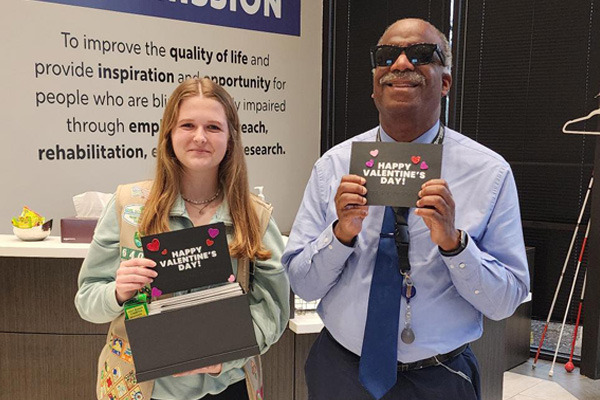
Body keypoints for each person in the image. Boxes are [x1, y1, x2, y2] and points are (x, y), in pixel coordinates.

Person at [282, 18, 530, 400]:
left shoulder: (489, 174)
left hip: (440, 377)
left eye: (419, 54)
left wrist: (455, 244)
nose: (400, 64)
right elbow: (301, 284)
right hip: (340, 372)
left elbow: (506, 301)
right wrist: (339, 235)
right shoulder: (332, 167)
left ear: (445, 82)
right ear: (375, 84)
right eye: (386, 56)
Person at [75, 77, 290, 400]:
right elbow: (87, 301)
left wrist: (224, 357)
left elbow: (272, 310)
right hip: (140, 388)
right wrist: (117, 293)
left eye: (214, 127)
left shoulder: (254, 216)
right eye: (187, 125)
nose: (200, 137)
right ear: (169, 135)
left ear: (231, 138)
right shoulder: (127, 206)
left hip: (228, 386)